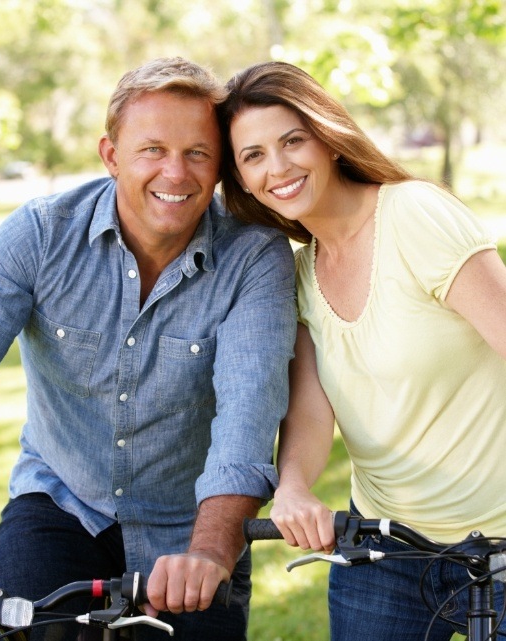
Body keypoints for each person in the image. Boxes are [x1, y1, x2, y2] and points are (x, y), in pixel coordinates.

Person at [0, 57, 297, 641]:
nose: (175, 173)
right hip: (62, 501)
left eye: (198, 153)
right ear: (111, 155)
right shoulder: (42, 233)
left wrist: (210, 553)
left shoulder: (254, 258)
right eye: (152, 149)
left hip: (192, 522)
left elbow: (247, 416)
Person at [217, 60, 506, 640]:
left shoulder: (414, 215)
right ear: (243, 180)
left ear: (327, 137)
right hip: (385, 550)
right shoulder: (296, 274)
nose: (278, 167)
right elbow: (311, 409)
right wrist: (294, 486)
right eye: (253, 156)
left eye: (292, 140)